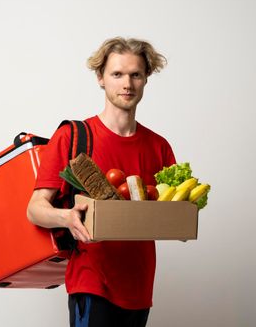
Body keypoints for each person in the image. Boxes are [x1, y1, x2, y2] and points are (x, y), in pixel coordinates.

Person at [27, 37, 176, 327]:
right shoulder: (72, 137)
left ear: (146, 79)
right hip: (91, 282)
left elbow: (168, 215)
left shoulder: (159, 147)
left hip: (140, 288)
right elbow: (34, 209)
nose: (127, 84)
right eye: (117, 74)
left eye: (136, 74)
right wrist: (67, 217)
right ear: (100, 78)